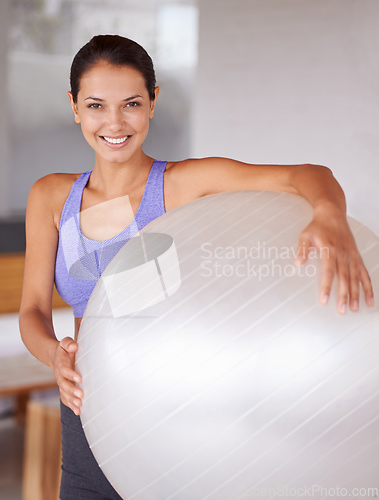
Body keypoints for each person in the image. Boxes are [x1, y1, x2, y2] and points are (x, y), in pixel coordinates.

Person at [19, 34, 374, 500]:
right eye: (96, 106)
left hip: (169, 408)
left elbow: (307, 175)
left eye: (131, 103)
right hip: (85, 405)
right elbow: (32, 312)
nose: (114, 123)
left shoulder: (183, 185)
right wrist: (54, 356)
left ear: (153, 102)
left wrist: (329, 217)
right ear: (73, 106)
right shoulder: (50, 196)